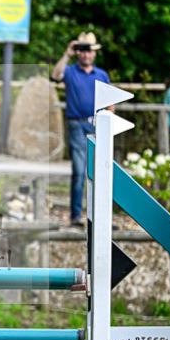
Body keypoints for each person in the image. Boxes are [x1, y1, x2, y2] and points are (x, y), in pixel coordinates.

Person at [51, 31, 112, 226]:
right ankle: (76, 215)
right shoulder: (70, 71)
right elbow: (55, 75)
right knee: (79, 170)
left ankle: (100, 216)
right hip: (77, 124)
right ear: (78, 53)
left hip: (98, 124)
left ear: (94, 54)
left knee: (101, 171)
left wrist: (111, 123)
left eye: (89, 51)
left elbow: (110, 102)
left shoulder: (102, 74)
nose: (86, 55)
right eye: (82, 51)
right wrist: (67, 53)